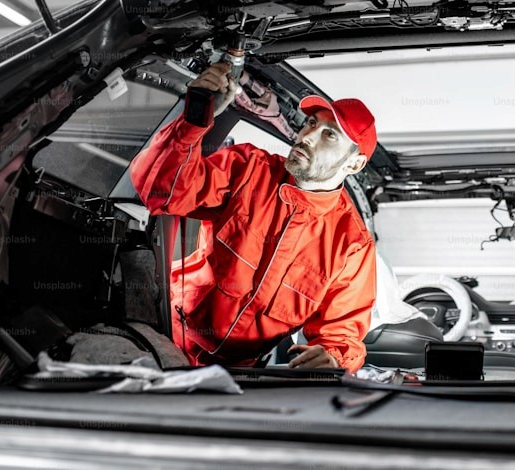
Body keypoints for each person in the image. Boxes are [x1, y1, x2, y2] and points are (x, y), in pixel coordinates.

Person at [130, 61, 378, 372]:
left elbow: (341, 332)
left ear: (354, 164)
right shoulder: (249, 168)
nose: (308, 136)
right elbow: (161, 190)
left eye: (329, 135)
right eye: (312, 123)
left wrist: (333, 357)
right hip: (165, 329)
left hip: (239, 371)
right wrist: (195, 116)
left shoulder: (351, 245)